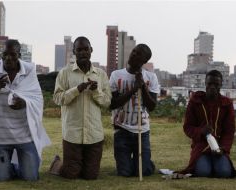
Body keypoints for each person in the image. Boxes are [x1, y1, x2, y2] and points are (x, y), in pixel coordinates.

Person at [0, 39, 51, 181]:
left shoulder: (30, 69)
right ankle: (9, 165)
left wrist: (25, 103)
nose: (8, 58)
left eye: (12, 54)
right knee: (1, 178)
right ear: (1, 55)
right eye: (5, 54)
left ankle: (20, 165)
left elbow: (37, 98)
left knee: (30, 177)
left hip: (24, 135)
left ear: (19, 55)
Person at [49, 36, 111, 180]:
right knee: (71, 175)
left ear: (91, 50)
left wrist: (96, 91)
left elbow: (107, 102)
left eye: (86, 49)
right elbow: (57, 98)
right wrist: (77, 89)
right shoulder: (65, 73)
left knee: (90, 176)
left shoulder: (101, 74)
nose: (83, 52)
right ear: (74, 52)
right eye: (79, 50)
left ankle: (80, 165)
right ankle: (57, 164)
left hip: (94, 134)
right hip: (72, 134)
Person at [109, 44, 159, 177]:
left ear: (144, 61)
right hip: (122, 129)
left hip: (142, 131)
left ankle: (145, 163)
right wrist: (133, 89)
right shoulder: (116, 75)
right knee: (124, 173)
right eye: (134, 51)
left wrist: (142, 87)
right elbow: (113, 104)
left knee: (143, 171)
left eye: (138, 55)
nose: (133, 55)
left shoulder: (151, 77)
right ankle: (135, 162)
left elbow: (152, 106)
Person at [180, 70, 235, 178]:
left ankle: (217, 164)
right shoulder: (195, 102)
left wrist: (222, 149)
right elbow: (187, 127)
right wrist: (201, 131)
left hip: (219, 147)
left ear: (220, 85)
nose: (212, 87)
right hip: (201, 148)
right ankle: (207, 164)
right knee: (203, 173)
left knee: (224, 173)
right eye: (210, 84)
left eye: (216, 84)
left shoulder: (227, 104)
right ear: (205, 83)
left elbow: (229, 131)